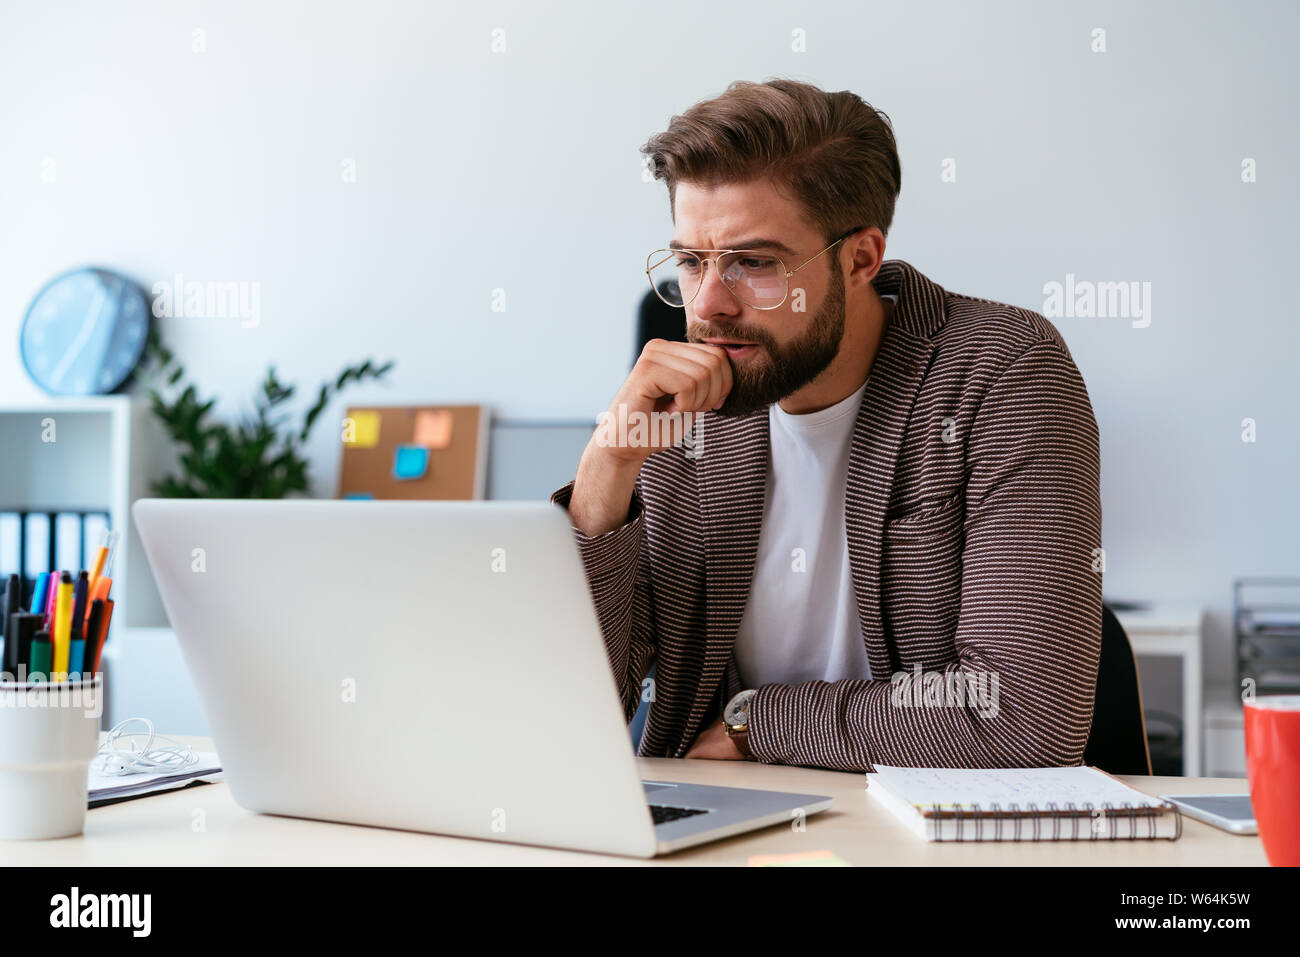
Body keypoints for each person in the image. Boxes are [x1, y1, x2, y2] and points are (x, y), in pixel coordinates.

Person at [551, 78, 1102, 773]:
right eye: (692, 262)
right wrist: (605, 472)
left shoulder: (1003, 372)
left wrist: (760, 720)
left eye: (754, 263)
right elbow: (567, 710)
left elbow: (1025, 716)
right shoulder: (686, 406)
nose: (709, 305)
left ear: (861, 258)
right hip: (717, 825)